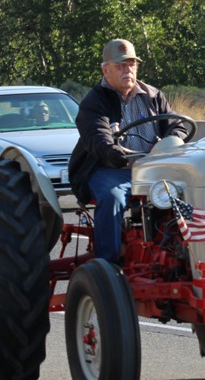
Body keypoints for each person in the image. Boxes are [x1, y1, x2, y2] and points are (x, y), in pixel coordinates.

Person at [68, 38, 190, 264]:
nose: (128, 70)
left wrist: (173, 140)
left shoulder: (153, 95)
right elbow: (97, 136)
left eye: (131, 64)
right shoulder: (94, 101)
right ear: (106, 70)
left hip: (153, 169)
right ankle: (108, 266)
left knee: (193, 189)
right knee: (112, 197)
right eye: (120, 66)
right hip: (109, 168)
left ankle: (181, 257)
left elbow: (176, 124)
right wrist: (115, 153)